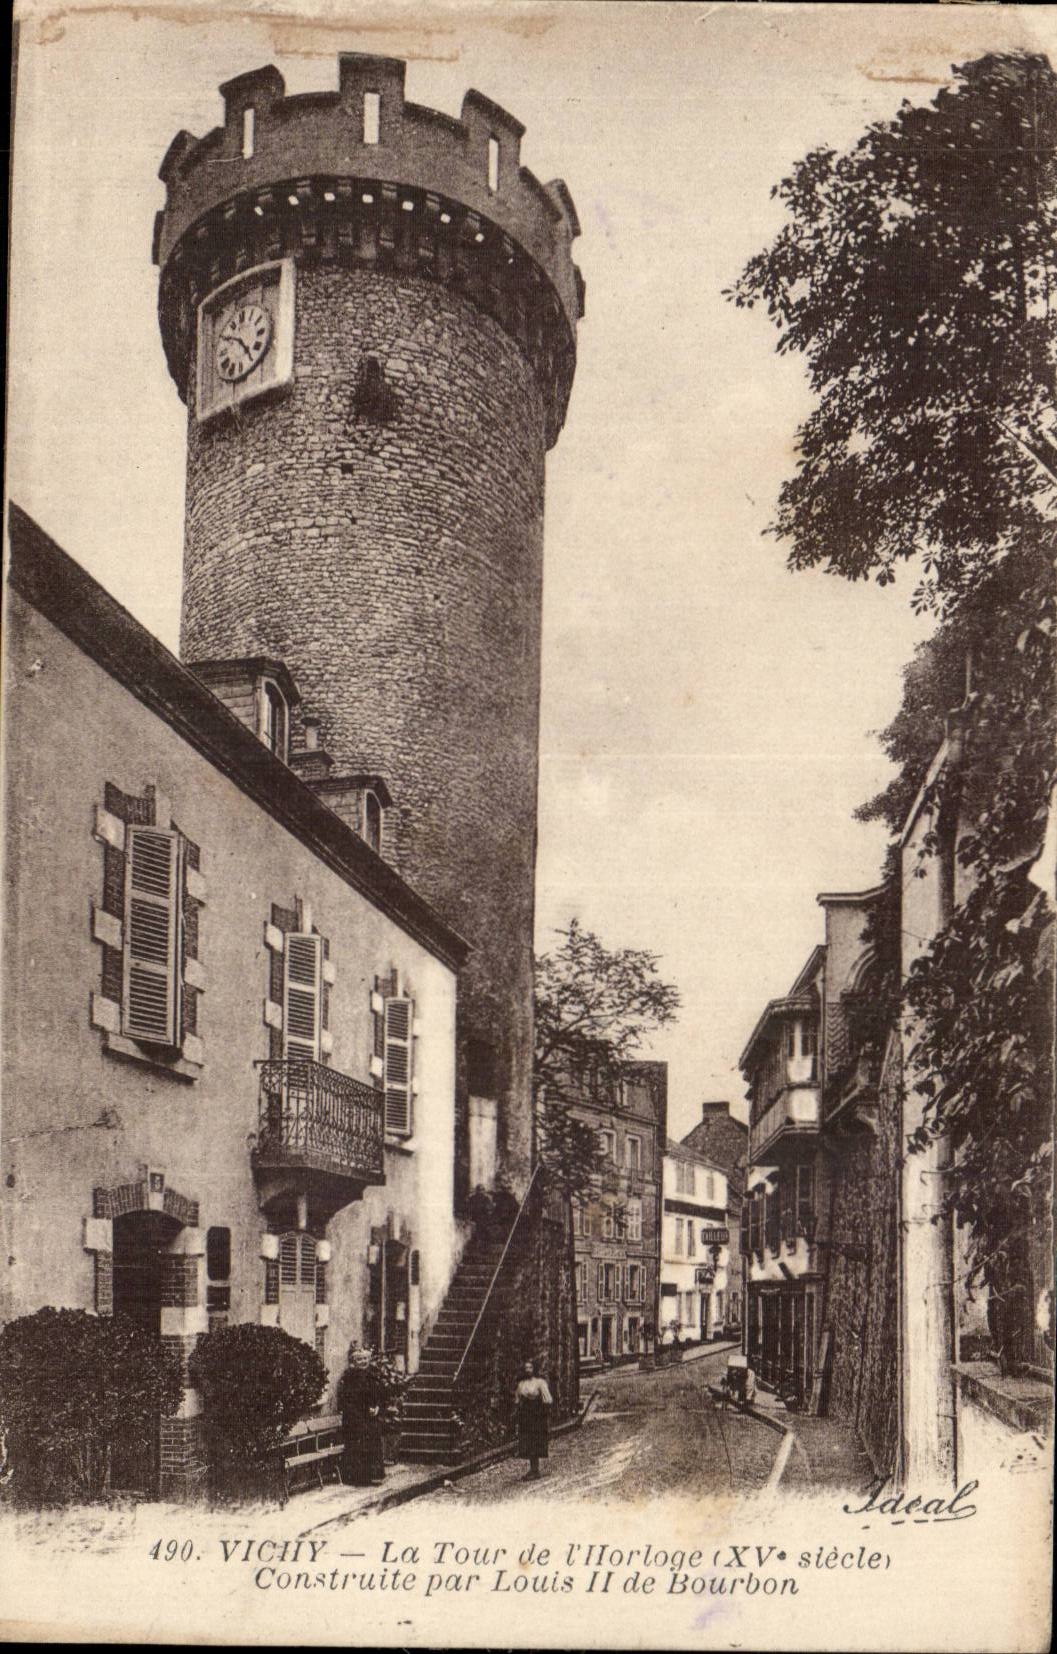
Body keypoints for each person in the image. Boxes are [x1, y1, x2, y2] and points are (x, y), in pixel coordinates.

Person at [515, 1359, 553, 1480]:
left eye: (530, 1367)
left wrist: (543, 1414)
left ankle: (535, 1470)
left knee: (535, 1440)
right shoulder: (521, 1384)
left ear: (534, 1369)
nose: (528, 1370)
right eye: (526, 1368)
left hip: (536, 1415)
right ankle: (532, 1469)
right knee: (527, 1441)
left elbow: (548, 1400)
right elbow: (518, 1400)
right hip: (525, 1415)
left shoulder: (539, 1382)